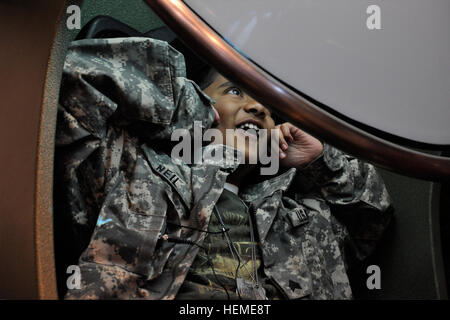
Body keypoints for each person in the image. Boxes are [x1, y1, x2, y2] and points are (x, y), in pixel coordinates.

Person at [54, 36, 393, 300]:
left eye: (269, 108)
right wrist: (193, 113)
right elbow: (69, 80)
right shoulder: (137, 169)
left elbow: (372, 220)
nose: (258, 107)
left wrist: (319, 162)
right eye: (234, 90)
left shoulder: (301, 219)